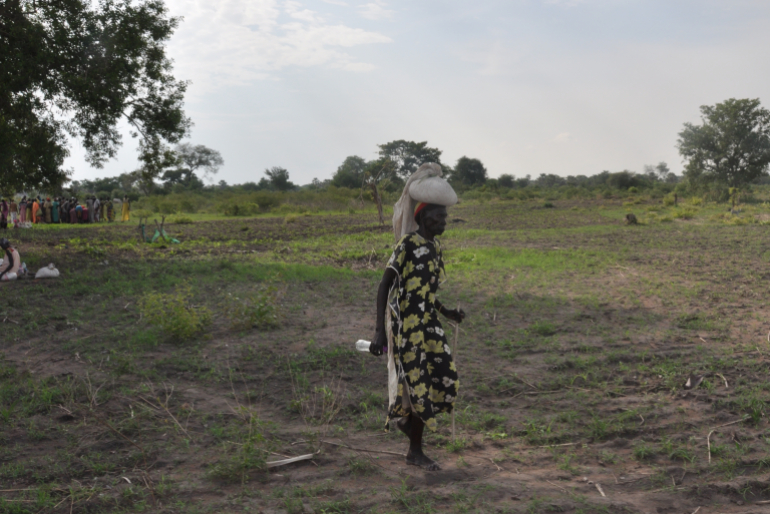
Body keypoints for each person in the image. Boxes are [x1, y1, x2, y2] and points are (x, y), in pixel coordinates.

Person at [370, 163, 465, 471]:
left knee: (445, 378)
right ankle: (415, 451)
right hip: (408, 328)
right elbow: (384, 285)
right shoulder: (408, 245)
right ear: (423, 217)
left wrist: (447, 312)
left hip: (429, 325)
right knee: (419, 386)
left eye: (445, 217)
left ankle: (408, 426)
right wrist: (379, 331)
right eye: (439, 216)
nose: (444, 221)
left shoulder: (434, 249)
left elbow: (426, 292)